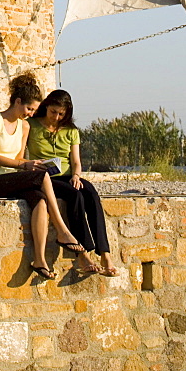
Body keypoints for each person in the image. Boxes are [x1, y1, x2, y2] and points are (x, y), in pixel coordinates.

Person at [0, 72, 88, 281]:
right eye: (29, 108)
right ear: (17, 101)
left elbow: (18, 158)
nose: (30, 114)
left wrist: (30, 165)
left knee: (40, 200)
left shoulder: (24, 125)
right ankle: (62, 230)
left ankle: (39, 260)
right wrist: (25, 164)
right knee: (40, 177)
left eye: (34, 110)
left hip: (10, 178)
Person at [27, 89, 118, 276]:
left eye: (61, 114)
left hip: (68, 175)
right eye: (54, 112)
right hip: (46, 177)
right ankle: (82, 252)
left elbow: (76, 161)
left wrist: (76, 175)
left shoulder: (71, 130)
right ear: (46, 107)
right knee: (74, 196)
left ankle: (105, 253)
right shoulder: (32, 125)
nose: (57, 117)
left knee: (91, 194)